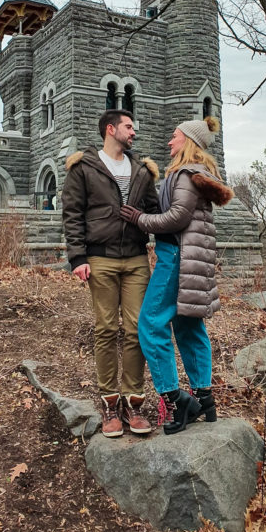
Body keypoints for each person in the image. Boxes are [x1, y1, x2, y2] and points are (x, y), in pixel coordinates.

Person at [120, 115, 233, 435]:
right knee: (188, 326)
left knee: (150, 324)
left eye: (174, 136)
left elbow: (177, 218)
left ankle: (174, 399)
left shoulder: (184, 173)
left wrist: (139, 219)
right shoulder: (198, 173)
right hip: (195, 258)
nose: (169, 142)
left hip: (177, 257)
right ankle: (203, 398)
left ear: (188, 142)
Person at [61, 109, 159, 437]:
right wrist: (77, 258)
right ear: (110, 128)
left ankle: (133, 402)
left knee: (135, 330)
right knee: (105, 329)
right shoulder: (83, 168)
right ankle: (109, 402)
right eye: (129, 126)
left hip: (135, 260)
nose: (134, 132)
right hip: (99, 259)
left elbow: (156, 212)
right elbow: (72, 214)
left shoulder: (143, 171)